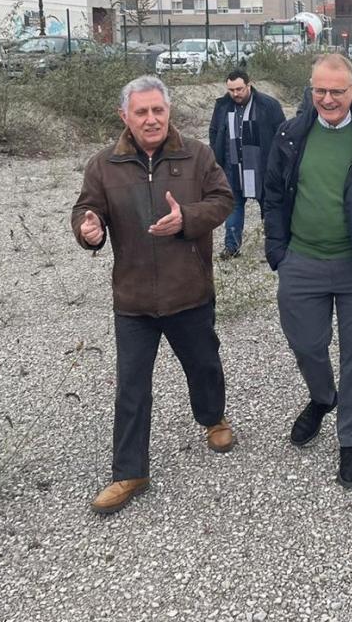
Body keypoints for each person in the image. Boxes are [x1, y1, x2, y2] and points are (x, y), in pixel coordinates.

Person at [71, 75, 236, 514]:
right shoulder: (103, 165)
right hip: (134, 297)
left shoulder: (196, 155)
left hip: (189, 291)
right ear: (124, 116)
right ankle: (130, 472)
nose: (151, 119)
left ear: (169, 111)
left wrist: (188, 218)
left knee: (203, 365)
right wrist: (88, 229)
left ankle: (212, 418)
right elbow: (86, 209)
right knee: (131, 386)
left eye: (157, 110)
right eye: (141, 112)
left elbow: (223, 199)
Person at [263, 53, 352, 489]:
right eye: (319, 90)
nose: (327, 99)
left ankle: (350, 440)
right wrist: (277, 251)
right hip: (301, 260)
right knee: (307, 344)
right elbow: (273, 196)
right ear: (311, 89)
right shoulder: (290, 135)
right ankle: (323, 397)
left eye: (336, 91)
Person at [208, 67, 286, 258]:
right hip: (232, 167)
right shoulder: (222, 106)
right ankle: (232, 247)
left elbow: (283, 134)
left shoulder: (269, 105)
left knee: (269, 207)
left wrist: (279, 163)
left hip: (263, 168)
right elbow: (214, 131)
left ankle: (275, 245)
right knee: (234, 206)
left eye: (239, 89)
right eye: (231, 90)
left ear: (249, 85)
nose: (236, 94)